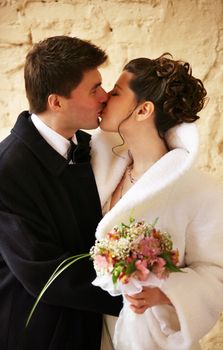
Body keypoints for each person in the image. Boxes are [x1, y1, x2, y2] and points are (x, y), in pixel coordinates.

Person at [90, 54, 223, 350]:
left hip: (151, 339)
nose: (104, 99)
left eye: (116, 93)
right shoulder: (98, 170)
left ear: (143, 110)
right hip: (92, 331)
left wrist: (164, 292)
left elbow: (221, 275)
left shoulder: (202, 193)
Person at [0, 35, 122, 350]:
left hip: (89, 327)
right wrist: (134, 293)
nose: (105, 96)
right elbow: (43, 271)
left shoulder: (90, 148)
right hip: (37, 334)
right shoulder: (6, 170)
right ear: (56, 102)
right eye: (94, 89)